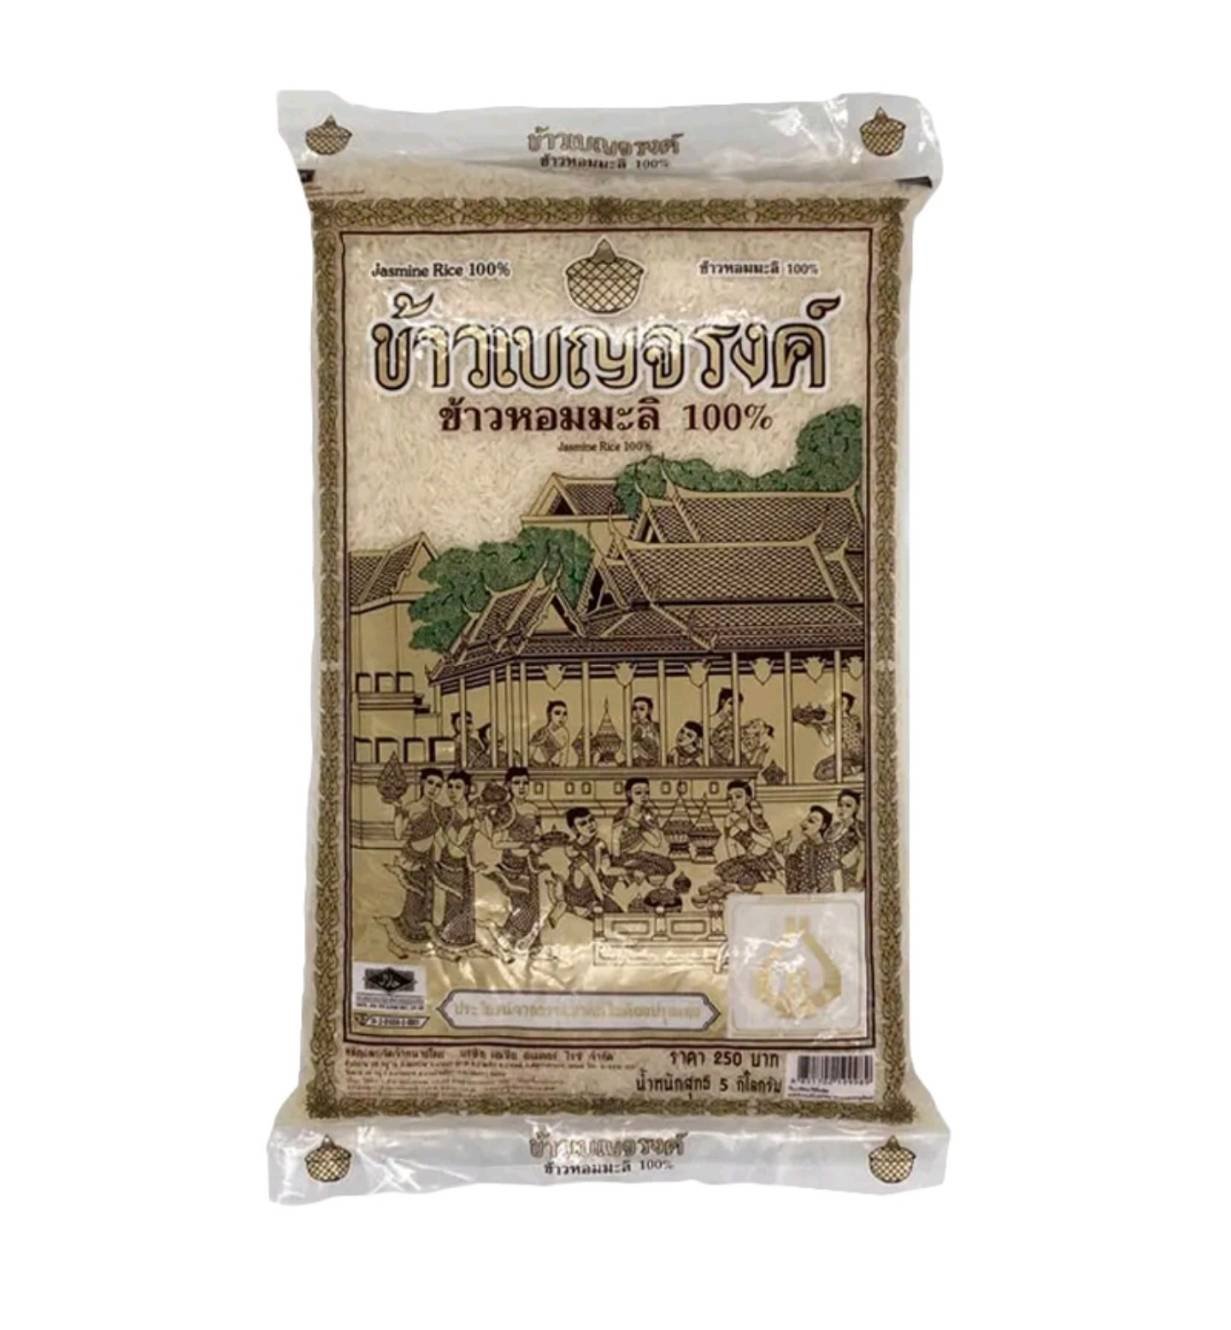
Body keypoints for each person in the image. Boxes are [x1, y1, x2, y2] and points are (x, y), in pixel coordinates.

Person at [388, 767, 447, 945]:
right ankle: (405, 936)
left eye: (438, 785)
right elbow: (398, 834)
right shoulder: (411, 808)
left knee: (427, 900)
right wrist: (398, 811)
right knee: (414, 898)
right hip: (411, 858)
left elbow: (442, 839)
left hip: (428, 860)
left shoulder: (439, 810)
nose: (433, 788)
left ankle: (422, 936)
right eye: (430, 783)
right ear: (422, 783)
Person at [487, 765, 543, 949]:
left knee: (534, 908)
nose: (522, 787)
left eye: (525, 783)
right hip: (511, 865)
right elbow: (496, 842)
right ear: (508, 785)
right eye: (517, 783)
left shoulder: (534, 809)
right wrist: (523, 844)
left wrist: (539, 842)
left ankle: (523, 944)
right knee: (522, 909)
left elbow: (538, 833)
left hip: (530, 864)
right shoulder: (505, 810)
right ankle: (503, 937)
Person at [614, 777, 683, 908]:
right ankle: (628, 881)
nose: (644, 796)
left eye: (647, 792)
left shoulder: (648, 815)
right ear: (629, 794)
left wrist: (641, 825)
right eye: (638, 792)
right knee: (648, 869)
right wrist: (616, 861)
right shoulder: (623, 813)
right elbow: (615, 839)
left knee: (668, 865)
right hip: (624, 856)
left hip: (640, 855)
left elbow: (656, 841)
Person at [434, 770, 478, 947]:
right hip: (450, 862)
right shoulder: (446, 813)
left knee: (468, 901)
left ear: (466, 789)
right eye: (450, 787)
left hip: (467, 864)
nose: (452, 791)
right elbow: (456, 843)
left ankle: (464, 938)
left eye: (458, 787)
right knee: (454, 901)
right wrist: (472, 823)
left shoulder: (474, 812)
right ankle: (449, 938)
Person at [712, 779, 777, 889]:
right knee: (720, 871)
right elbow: (731, 845)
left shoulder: (754, 818)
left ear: (748, 799)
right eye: (729, 798)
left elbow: (769, 842)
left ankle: (763, 874)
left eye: (738, 797)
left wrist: (748, 833)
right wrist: (736, 862)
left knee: (736, 875)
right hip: (744, 858)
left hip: (762, 857)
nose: (733, 802)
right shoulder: (729, 819)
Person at [562, 807, 622, 917]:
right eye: (583, 823)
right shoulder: (571, 848)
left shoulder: (600, 844)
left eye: (591, 820)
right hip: (577, 894)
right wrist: (602, 900)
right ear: (575, 829)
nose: (590, 825)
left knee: (617, 913)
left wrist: (627, 872)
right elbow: (591, 874)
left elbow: (606, 870)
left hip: (594, 891)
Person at [780, 804, 842, 894]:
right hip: (803, 896)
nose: (803, 823)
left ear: (823, 826)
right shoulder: (803, 846)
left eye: (811, 821)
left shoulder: (830, 849)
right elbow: (794, 870)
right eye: (806, 819)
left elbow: (836, 875)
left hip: (825, 897)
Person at [828, 787, 865, 890]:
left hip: (852, 878)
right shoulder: (833, 828)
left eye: (848, 805)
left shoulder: (860, 828)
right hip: (831, 877)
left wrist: (857, 881)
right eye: (840, 805)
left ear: (856, 808)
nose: (843, 809)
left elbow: (863, 857)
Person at [529, 700, 571, 767]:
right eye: (557, 713)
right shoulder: (542, 732)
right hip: (535, 766)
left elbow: (564, 756)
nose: (562, 717)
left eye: (565, 714)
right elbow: (530, 753)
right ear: (549, 715)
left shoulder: (565, 733)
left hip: (551, 767)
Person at [709, 688, 741, 765]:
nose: (734, 708)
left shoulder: (734, 726)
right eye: (731, 703)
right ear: (722, 702)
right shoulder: (708, 722)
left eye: (738, 705)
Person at [629, 695, 662, 766]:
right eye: (634, 708)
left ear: (649, 710)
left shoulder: (656, 726)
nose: (637, 712)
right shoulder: (631, 727)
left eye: (641, 709)